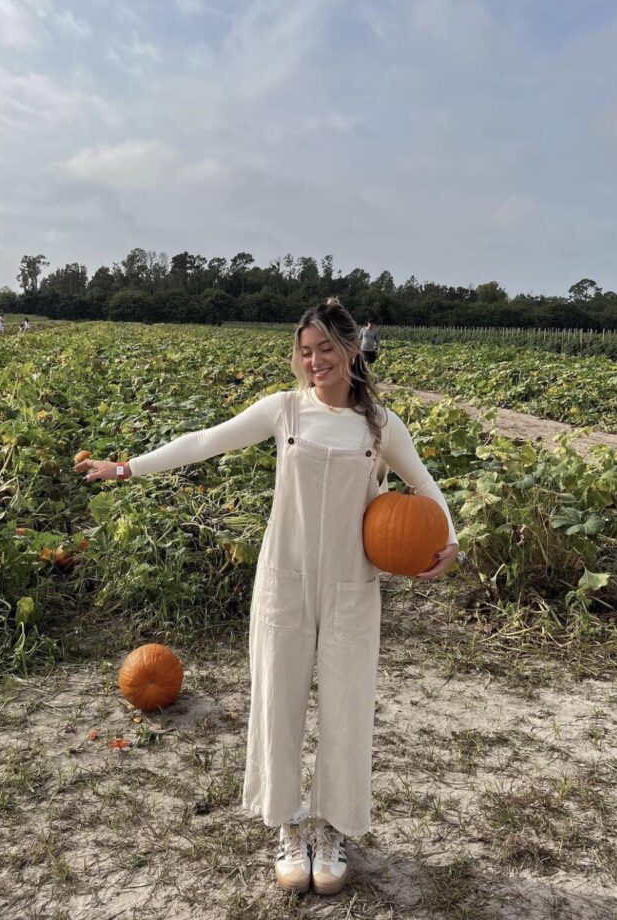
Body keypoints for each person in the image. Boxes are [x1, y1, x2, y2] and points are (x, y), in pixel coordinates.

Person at [75, 298, 459, 896]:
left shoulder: (380, 425)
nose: (315, 361)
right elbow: (205, 441)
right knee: (277, 700)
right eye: (305, 351)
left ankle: (331, 829)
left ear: (351, 349)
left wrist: (450, 541)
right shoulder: (285, 410)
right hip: (285, 577)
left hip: (353, 585)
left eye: (325, 349)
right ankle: (287, 824)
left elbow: (425, 485)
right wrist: (128, 468)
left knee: (348, 706)